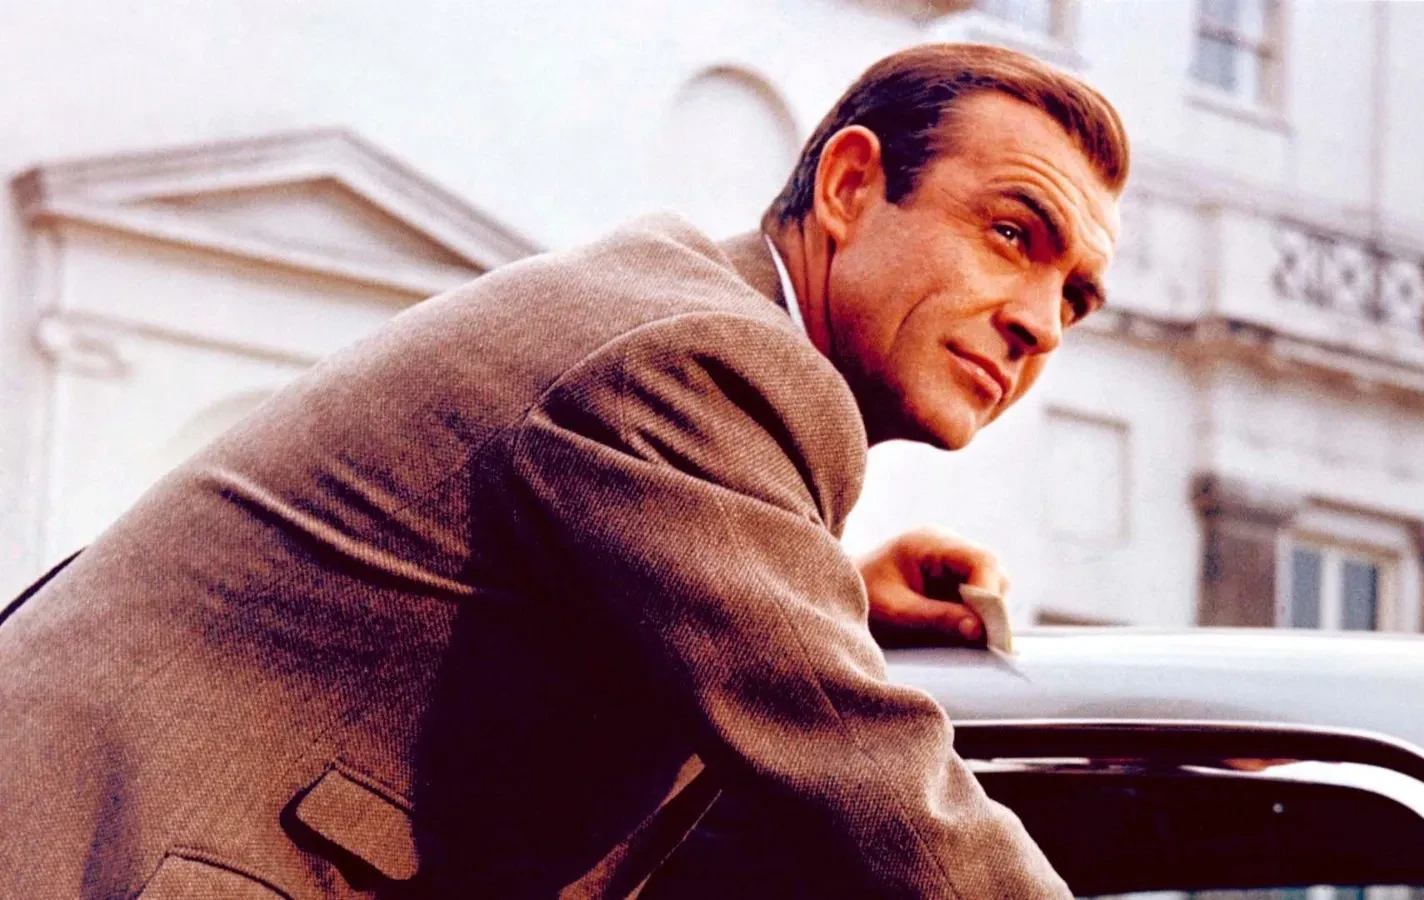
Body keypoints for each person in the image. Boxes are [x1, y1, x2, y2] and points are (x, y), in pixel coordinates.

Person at [0, 41, 1124, 898]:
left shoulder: (677, 330)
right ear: (847, 187)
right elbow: (866, 768)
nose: (1039, 322)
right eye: (1013, 234)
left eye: (1075, 296)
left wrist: (826, 594)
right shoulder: (697, 356)